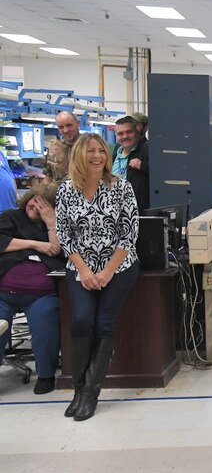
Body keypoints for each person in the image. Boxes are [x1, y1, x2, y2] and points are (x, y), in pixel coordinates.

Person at [54, 133, 140, 421]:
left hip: (119, 266)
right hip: (81, 267)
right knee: (81, 319)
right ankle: (78, 389)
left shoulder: (121, 188)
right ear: (80, 155)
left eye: (101, 151)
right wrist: (84, 270)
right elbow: (64, 235)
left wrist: (107, 271)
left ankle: (91, 393)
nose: (97, 156)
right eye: (90, 151)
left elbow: (129, 234)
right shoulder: (66, 190)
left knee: (104, 322)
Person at [0, 184, 65, 394]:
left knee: (46, 318)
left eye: (43, 205)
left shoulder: (54, 225)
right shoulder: (11, 217)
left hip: (41, 294)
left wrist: (51, 222)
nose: (36, 206)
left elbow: (57, 251)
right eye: (34, 200)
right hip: (3, 292)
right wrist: (36, 245)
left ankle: (46, 374)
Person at [112, 116, 150, 213]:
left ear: (136, 132)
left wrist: (143, 166)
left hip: (138, 214)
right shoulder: (116, 153)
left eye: (129, 132)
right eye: (120, 134)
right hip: (115, 211)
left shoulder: (147, 149)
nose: (125, 136)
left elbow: (162, 175)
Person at [44, 111, 80, 183]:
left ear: (78, 124)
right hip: (58, 192)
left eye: (69, 125)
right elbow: (48, 178)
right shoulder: (53, 150)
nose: (66, 130)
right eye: (61, 127)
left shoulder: (90, 147)